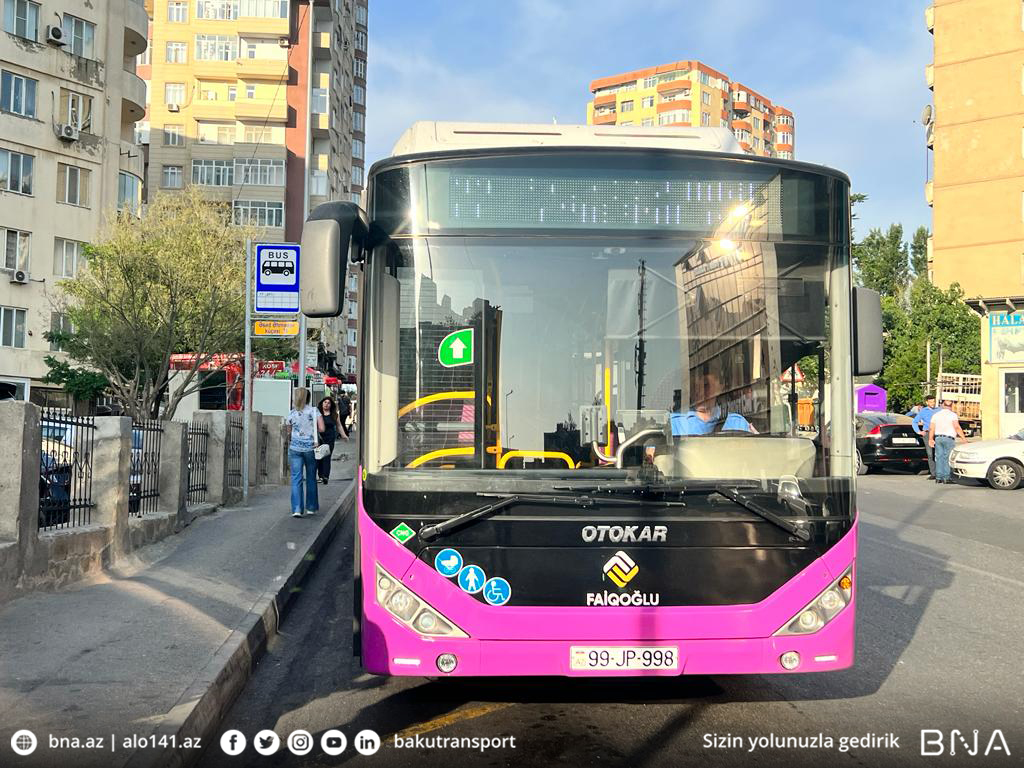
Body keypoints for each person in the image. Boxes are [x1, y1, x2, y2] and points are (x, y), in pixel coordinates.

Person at [671, 368, 755, 436]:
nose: (699, 392)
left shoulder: (737, 423)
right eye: (694, 386)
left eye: (705, 385)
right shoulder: (675, 423)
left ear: (721, 386)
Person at [285, 387, 324, 517]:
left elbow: (288, 431)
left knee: (296, 478)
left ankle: (296, 509)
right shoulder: (314, 411)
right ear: (308, 397)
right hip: (310, 448)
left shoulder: (291, 413)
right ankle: (311, 508)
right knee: (311, 477)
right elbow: (322, 428)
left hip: (295, 448)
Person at [928, 399, 967, 484]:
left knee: (939, 457)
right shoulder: (953, 415)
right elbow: (956, 427)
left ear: (943, 405)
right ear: (951, 406)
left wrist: (930, 439)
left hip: (938, 438)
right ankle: (946, 477)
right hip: (949, 438)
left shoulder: (936, 415)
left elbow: (931, 428)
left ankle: (938, 477)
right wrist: (963, 438)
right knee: (947, 457)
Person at [316, 396, 342, 484]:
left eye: (328, 403)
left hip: (330, 439)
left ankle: (325, 476)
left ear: (331, 405)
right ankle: (320, 476)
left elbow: (339, 425)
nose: (326, 404)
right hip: (319, 438)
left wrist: (344, 435)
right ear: (322, 403)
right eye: (325, 402)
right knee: (319, 457)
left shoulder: (334, 414)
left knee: (327, 457)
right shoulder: (318, 414)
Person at [913, 396, 940, 478]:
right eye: (931, 402)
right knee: (930, 454)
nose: (933, 403)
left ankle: (941, 472)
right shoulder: (923, 411)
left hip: (938, 433)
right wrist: (919, 431)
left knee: (939, 453)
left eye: (933, 401)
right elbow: (914, 422)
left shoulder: (939, 410)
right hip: (927, 433)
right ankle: (933, 473)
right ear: (927, 402)